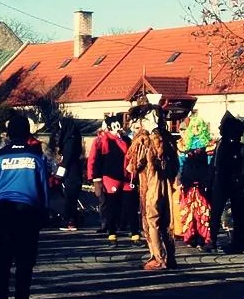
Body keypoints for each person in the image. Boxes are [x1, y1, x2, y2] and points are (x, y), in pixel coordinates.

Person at [0, 112, 50, 299]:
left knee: (2, 262)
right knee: (25, 262)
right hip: (28, 213)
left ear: (8, 134)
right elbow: (43, 187)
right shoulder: (37, 157)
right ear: (27, 133)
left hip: (2, 211)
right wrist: (44, 212)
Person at [127, 106, 179, 271]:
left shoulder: (145, 140)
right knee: (165, 220)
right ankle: (170, 257)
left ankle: (158, 258)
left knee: (152, 219)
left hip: (152, 183)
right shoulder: (168, 138)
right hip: (166, 183)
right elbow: (175, 165)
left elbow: (134, 165)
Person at [212, 113, 244, 254]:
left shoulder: (229, 146)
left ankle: (237, 242)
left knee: (235, 213)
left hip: (230, 182)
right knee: (227, 213)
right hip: (228, 182)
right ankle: (233, 241)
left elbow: (242, 166)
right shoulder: (225, 145)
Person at [87, 116, 134, 241]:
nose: (117, 129)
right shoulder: (102, 141)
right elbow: (94, 159)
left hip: (125, 176)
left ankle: (128, 228)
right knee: (109, 203)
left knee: (127, 203)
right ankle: (110, 229)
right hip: (109, 176)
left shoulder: (126, 140)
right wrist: (94, 177)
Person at [174, 111, 215, 252]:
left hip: (202, 181)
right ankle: (191, 237)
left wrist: (208, 179)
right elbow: (180, 163)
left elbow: (210, 164)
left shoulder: (208, 144)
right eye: (194, 127)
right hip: (188, 182)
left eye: (199, 127)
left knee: (203, 211)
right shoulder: (184, 143)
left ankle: (202, 238)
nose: (196, 129)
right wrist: (180, 179)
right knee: (188, 211)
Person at [56, 119, 85, 232]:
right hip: (76, 171)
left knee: (70, 197)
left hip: (71, 173)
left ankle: (69, 221)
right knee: (73, 197)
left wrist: (58, 174)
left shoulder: (69, 142)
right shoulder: (76, 138)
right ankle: (72, 219)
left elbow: (66, 160)